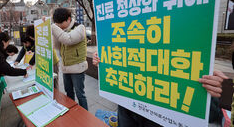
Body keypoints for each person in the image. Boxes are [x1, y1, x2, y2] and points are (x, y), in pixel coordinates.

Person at [92, 52, 228, 127]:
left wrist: (225, 93)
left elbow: (213, 115)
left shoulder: (186, 63)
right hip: (127, 111)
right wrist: (104, 61)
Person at [51, 8, 88, 110]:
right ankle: (72, 112)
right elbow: (58, 47)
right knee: (69, 93)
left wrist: (54, 28)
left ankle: (85, 116)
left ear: (68, 19)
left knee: (80, 94)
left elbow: (69, 40)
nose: (59, 26)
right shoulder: (62, 31)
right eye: (57, 24)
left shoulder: (80, 28)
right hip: (66, 67)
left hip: (77, 68)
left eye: (60, 23)